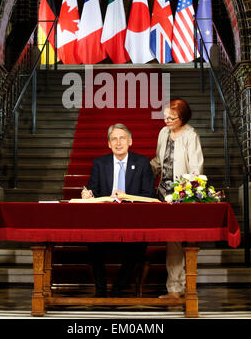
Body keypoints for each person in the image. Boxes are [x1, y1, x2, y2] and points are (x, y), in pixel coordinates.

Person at [81, 123, 155, 297]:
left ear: (130, 141)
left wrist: (127, 196)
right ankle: (100, 289)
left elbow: (149, 195)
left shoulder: (142, 162)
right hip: (104, 221)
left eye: (122, 138)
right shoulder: (100, 163)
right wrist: (88, 195)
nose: (118, 142)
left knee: (139, 243)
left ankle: (118, 287)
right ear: (108, 143)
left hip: (133, 221)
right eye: (114, 138)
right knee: (92, 240)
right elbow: (95, 192)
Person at [150, 98, 204, 299]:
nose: (166, 121)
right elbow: (158, 161)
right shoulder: (163, 133)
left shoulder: (191, 135)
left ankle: (180, 288)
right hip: (163, 194)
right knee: (171, 241)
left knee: (178, 241)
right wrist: (140, 170)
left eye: (171, 118)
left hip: (182, 196)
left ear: (183, 118)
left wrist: (182, 194)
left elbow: (196, 171)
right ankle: (176, 288)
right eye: (165, 117)